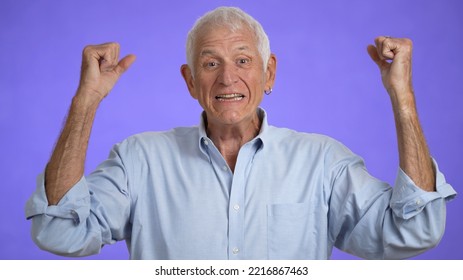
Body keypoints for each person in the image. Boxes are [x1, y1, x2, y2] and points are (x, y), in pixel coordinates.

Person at [26, 6, 455, 260]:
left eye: (243, 61)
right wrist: (86, 100)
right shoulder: (139, 160)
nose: (228, 78)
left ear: (269, 74)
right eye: (210, 64)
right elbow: (59, 232)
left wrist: (403, 96)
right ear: (190, 82)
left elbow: (412, 230)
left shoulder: (323, 162)